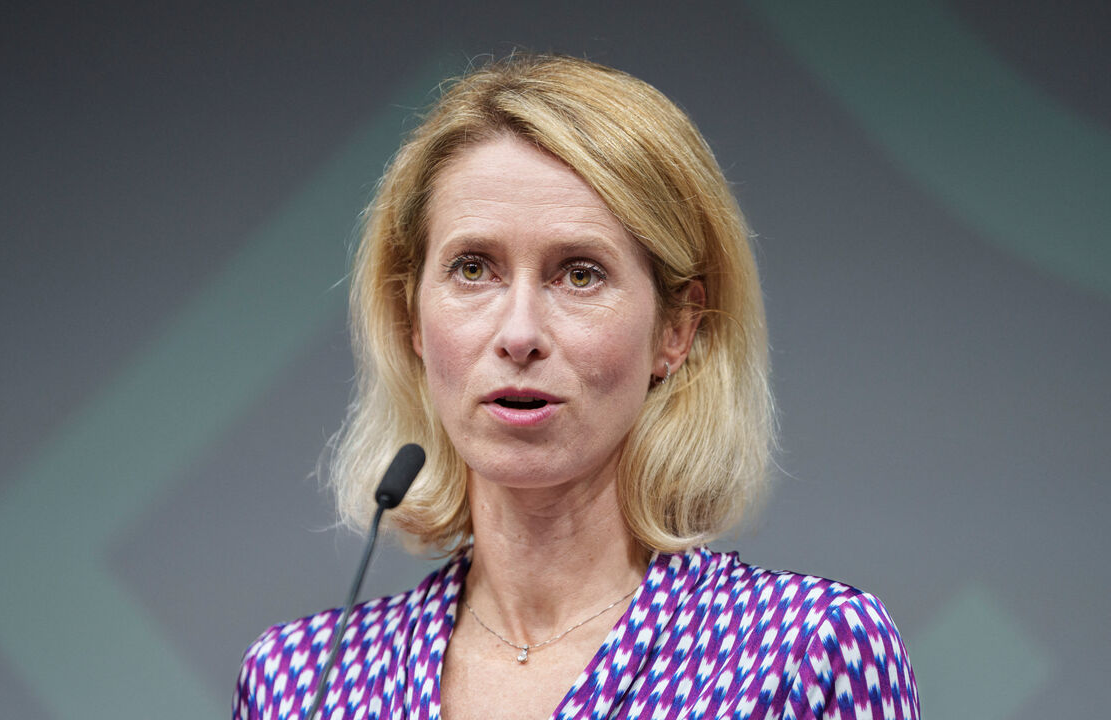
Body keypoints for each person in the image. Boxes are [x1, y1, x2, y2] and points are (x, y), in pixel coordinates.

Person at [234, 53, 919, 720]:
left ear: (676, 328)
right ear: (410, 317)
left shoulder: (805, 656)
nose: (520, 333)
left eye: (580, 273)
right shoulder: (298, 685)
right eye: (474, 269)